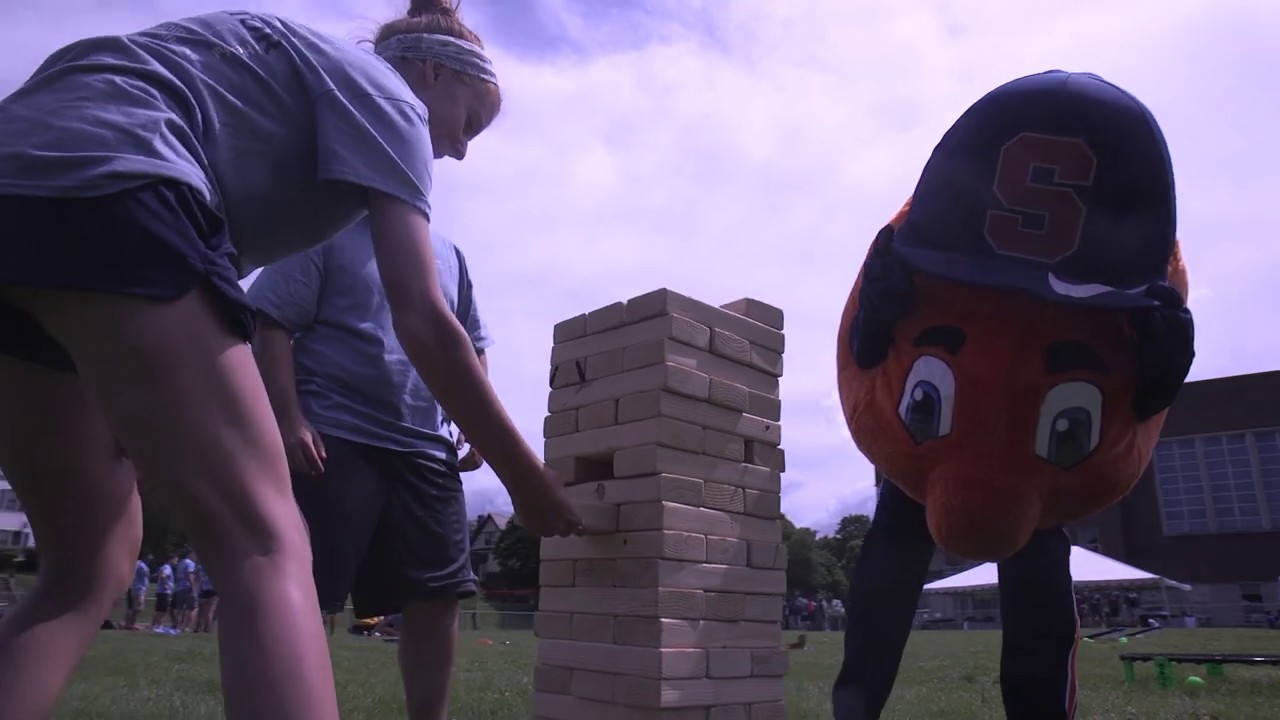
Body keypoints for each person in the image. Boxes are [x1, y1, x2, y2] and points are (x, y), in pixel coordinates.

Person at [0, 2, 582, 717]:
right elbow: (424, 321)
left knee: (88, 560)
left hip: (24, 188)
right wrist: (527, 482)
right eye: (469, 123)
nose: (460, 151)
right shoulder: (388, 95)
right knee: (266, 542)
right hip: (122, 181)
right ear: (433, 72)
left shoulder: (279, 66)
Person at [249, 218, 493, 720]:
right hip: (333, 438)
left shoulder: (448, 253)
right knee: (303, 590)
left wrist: (477, 422)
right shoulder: (322, 226)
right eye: (465, 131)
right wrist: (288, 418)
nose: (464, 149)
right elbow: (270, 321)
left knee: (439, 597)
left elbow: (471, 343)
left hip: (427, 448)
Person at [172, 549, 198, 632]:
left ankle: (178, 627)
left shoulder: (181, 563)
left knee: (179, 609)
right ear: (191, 554)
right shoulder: (190, 563)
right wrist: (194, 589)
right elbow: (190, 576)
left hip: (179, 588)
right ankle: (187, 627)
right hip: (187, 588)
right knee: (192, 608)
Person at [150, 555, 176, 634]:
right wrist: (165, 586)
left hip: (160, 591)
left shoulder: (163, 567)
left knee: (159, 610)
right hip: (164, 592)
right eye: (175, 560)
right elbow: (163, 576)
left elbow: (159, 575)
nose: (176, 562)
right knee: (162, 610)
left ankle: (153, 626)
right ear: (171, 560)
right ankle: (158, 626)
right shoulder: (167, 568)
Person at [122, 556, 150, 631]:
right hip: (138, 588)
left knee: (134, 607)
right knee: (139, 607)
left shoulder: (139, 564)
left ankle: (128, 623)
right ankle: (131, 624)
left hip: (138, 587)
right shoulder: (138, 564)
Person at [195, 559, 219, 634]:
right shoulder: (214, 566)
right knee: (210, 611)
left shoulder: (199, 567)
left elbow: (197, 578)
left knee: (201, 611)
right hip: (212, 589)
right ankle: (207, 629)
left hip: (203, 589)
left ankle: (198, 628)